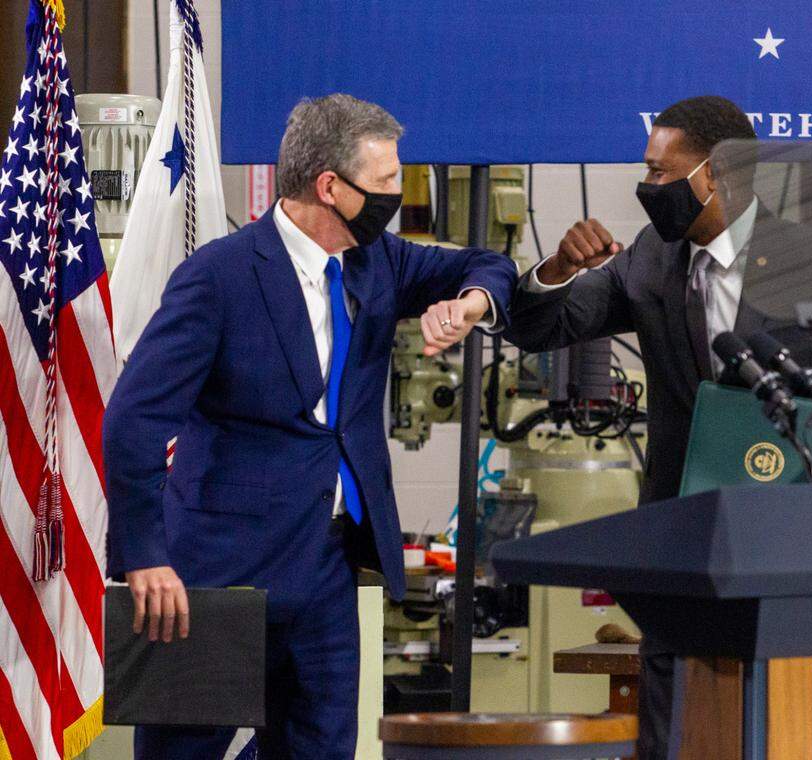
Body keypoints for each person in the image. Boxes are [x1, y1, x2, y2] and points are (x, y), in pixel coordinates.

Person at [503, 95, 812, 759]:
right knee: (669, 734)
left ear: (720, 175)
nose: (647, 188)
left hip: (785, 561)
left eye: (659, 173)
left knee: (774, 730)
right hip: (678, 554)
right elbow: (543, 326)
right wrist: (556, 272)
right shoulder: (652, 258)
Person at [103, 93, 517, 759]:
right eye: (386, 183)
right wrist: (144, 555)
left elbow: (485, 264)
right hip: (211, 581)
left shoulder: (378, 261)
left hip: (327, 572)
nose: (396, 195)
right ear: (331, 187)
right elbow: (133, 421)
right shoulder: (218, 277)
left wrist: (469, 304)